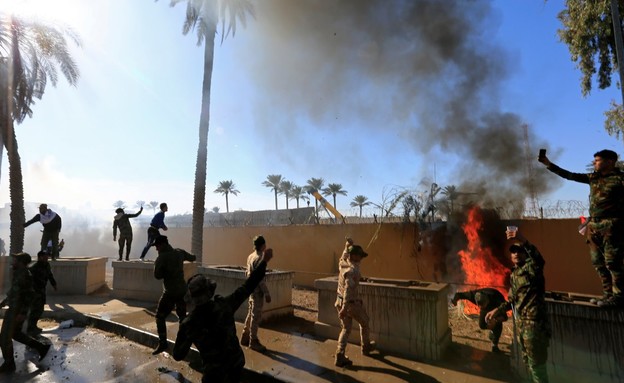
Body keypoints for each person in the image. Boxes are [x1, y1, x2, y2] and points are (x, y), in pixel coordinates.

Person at [172, 247, 274, 383]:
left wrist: (182, 322)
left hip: (214, 375)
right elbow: (249, 284)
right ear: (209, 292)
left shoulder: (189, 323)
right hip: (235, 365)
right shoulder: (225, 305)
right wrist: (264, 261)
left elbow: (178, 355)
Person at [539, 149, 624, 308]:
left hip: (612, 226)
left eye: (598, 160)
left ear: (610, 162)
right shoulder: (593, 178)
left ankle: (619, 297)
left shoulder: (620, 179)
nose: (594, 163)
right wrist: (548, 164)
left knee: (613, 263)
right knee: (598, 262)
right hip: (594, 226)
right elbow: (570, 175)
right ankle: (608, 295)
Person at [486, 228, 550, 383]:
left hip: (535, 326)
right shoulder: (515, 273)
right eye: (513, 251)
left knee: (537, 367)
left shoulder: (532, 268)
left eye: (519, 250)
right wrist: (496, 310)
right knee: (528, 363)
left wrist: (522, 238)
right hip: (521, 326)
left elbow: (539, 260)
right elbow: (513, 300)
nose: (515, 254)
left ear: (525, 252)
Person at [0, 253, 51, 373]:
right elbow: (15, 292)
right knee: (16, 334)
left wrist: (22, 313)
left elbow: (29, 295)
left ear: (21, 262)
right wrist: (3, 303)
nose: (13, 261)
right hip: (14, 308)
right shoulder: (19, 273)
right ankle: (41, 347)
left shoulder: (24, 274)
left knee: (4, 337)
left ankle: (9, 364)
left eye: (15, 259)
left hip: (16, 311)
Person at [151, 235, 196, 355]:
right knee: (182, 318)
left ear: (163, 245)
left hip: (170, 293)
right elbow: (192, 258)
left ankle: (162, 343)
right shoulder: (179, 252)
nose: (156, 249)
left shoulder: (162, 257)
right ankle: (184, 343)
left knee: (160, 317)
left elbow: (157, 276)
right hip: (182, 291)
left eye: (157, 246)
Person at [334, 239, 375, 367]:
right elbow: (348, 290)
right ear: (355, 256)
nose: (361, 258)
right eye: (360, 256)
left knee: (346, 329)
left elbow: (344, 255)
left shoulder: (343, 264)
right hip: (349, 303)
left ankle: (340, 354)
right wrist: (345, 308)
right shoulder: (353, 271)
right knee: (365, 321)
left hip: (339, 301)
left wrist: (347, 246)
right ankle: (366, 346)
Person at [451, 287, 508, 352]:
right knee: (482, 325)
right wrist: (454, 301)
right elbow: (458, 295)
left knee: (497, 325)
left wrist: (495, 320)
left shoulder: (497, 299)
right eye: (480, 306)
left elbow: (505, 317)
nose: (482, 307)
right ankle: (491, 330)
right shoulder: (473, 295)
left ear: (487, 300)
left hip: (496, 308)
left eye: (484, 305)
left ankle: (494, 344)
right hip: (485, 309)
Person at [240, 235, 271, 352]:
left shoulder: (250, 256)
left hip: (251, 289)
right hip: (258, 291)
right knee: (255, 316)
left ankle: (245, 336)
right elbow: (260, 279)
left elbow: (247, 272)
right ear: (263, 245)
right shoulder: (260, 258)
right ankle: (253, 341)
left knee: (250, 313)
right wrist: (267, 293)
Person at [27, 251, 58, 335]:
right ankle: (30, 328)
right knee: (34, 310)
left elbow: (50, 275)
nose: (47, 258)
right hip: (35, 292)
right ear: (40, 257)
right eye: (45, 256)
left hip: (42, 291)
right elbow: (28, 280)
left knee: (40, 309)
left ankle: (33, 326)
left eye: (47, 256)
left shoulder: (46, 265)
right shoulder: (33, 267)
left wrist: (54, 284)